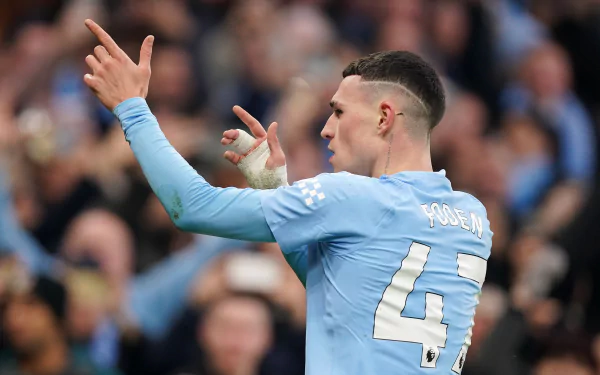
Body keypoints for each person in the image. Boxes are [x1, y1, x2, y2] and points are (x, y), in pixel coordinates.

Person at [81, 19, 492, 375]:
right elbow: (339, 293)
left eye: (339, 112)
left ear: (384, 117)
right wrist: (274, 192)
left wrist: (132, 107)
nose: (326, 129)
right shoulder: (473, 218)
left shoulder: (352, 196)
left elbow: (191, 207)